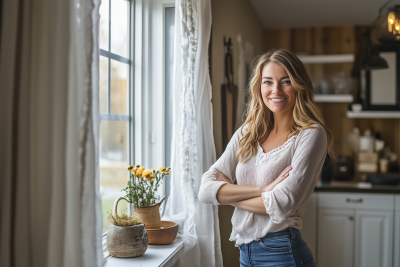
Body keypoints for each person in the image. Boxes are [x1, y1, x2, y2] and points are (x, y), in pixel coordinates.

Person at [198, 49, 334, 267]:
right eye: (268, 82)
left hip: (282, 253)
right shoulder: (247, 132)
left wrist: (226, 195)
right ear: (259, 87)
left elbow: (281, 203)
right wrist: (262, 190)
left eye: (286, 81)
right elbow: (205, 190)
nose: (276, 90)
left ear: (299, 85)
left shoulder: (311, 134)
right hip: (245, 252)